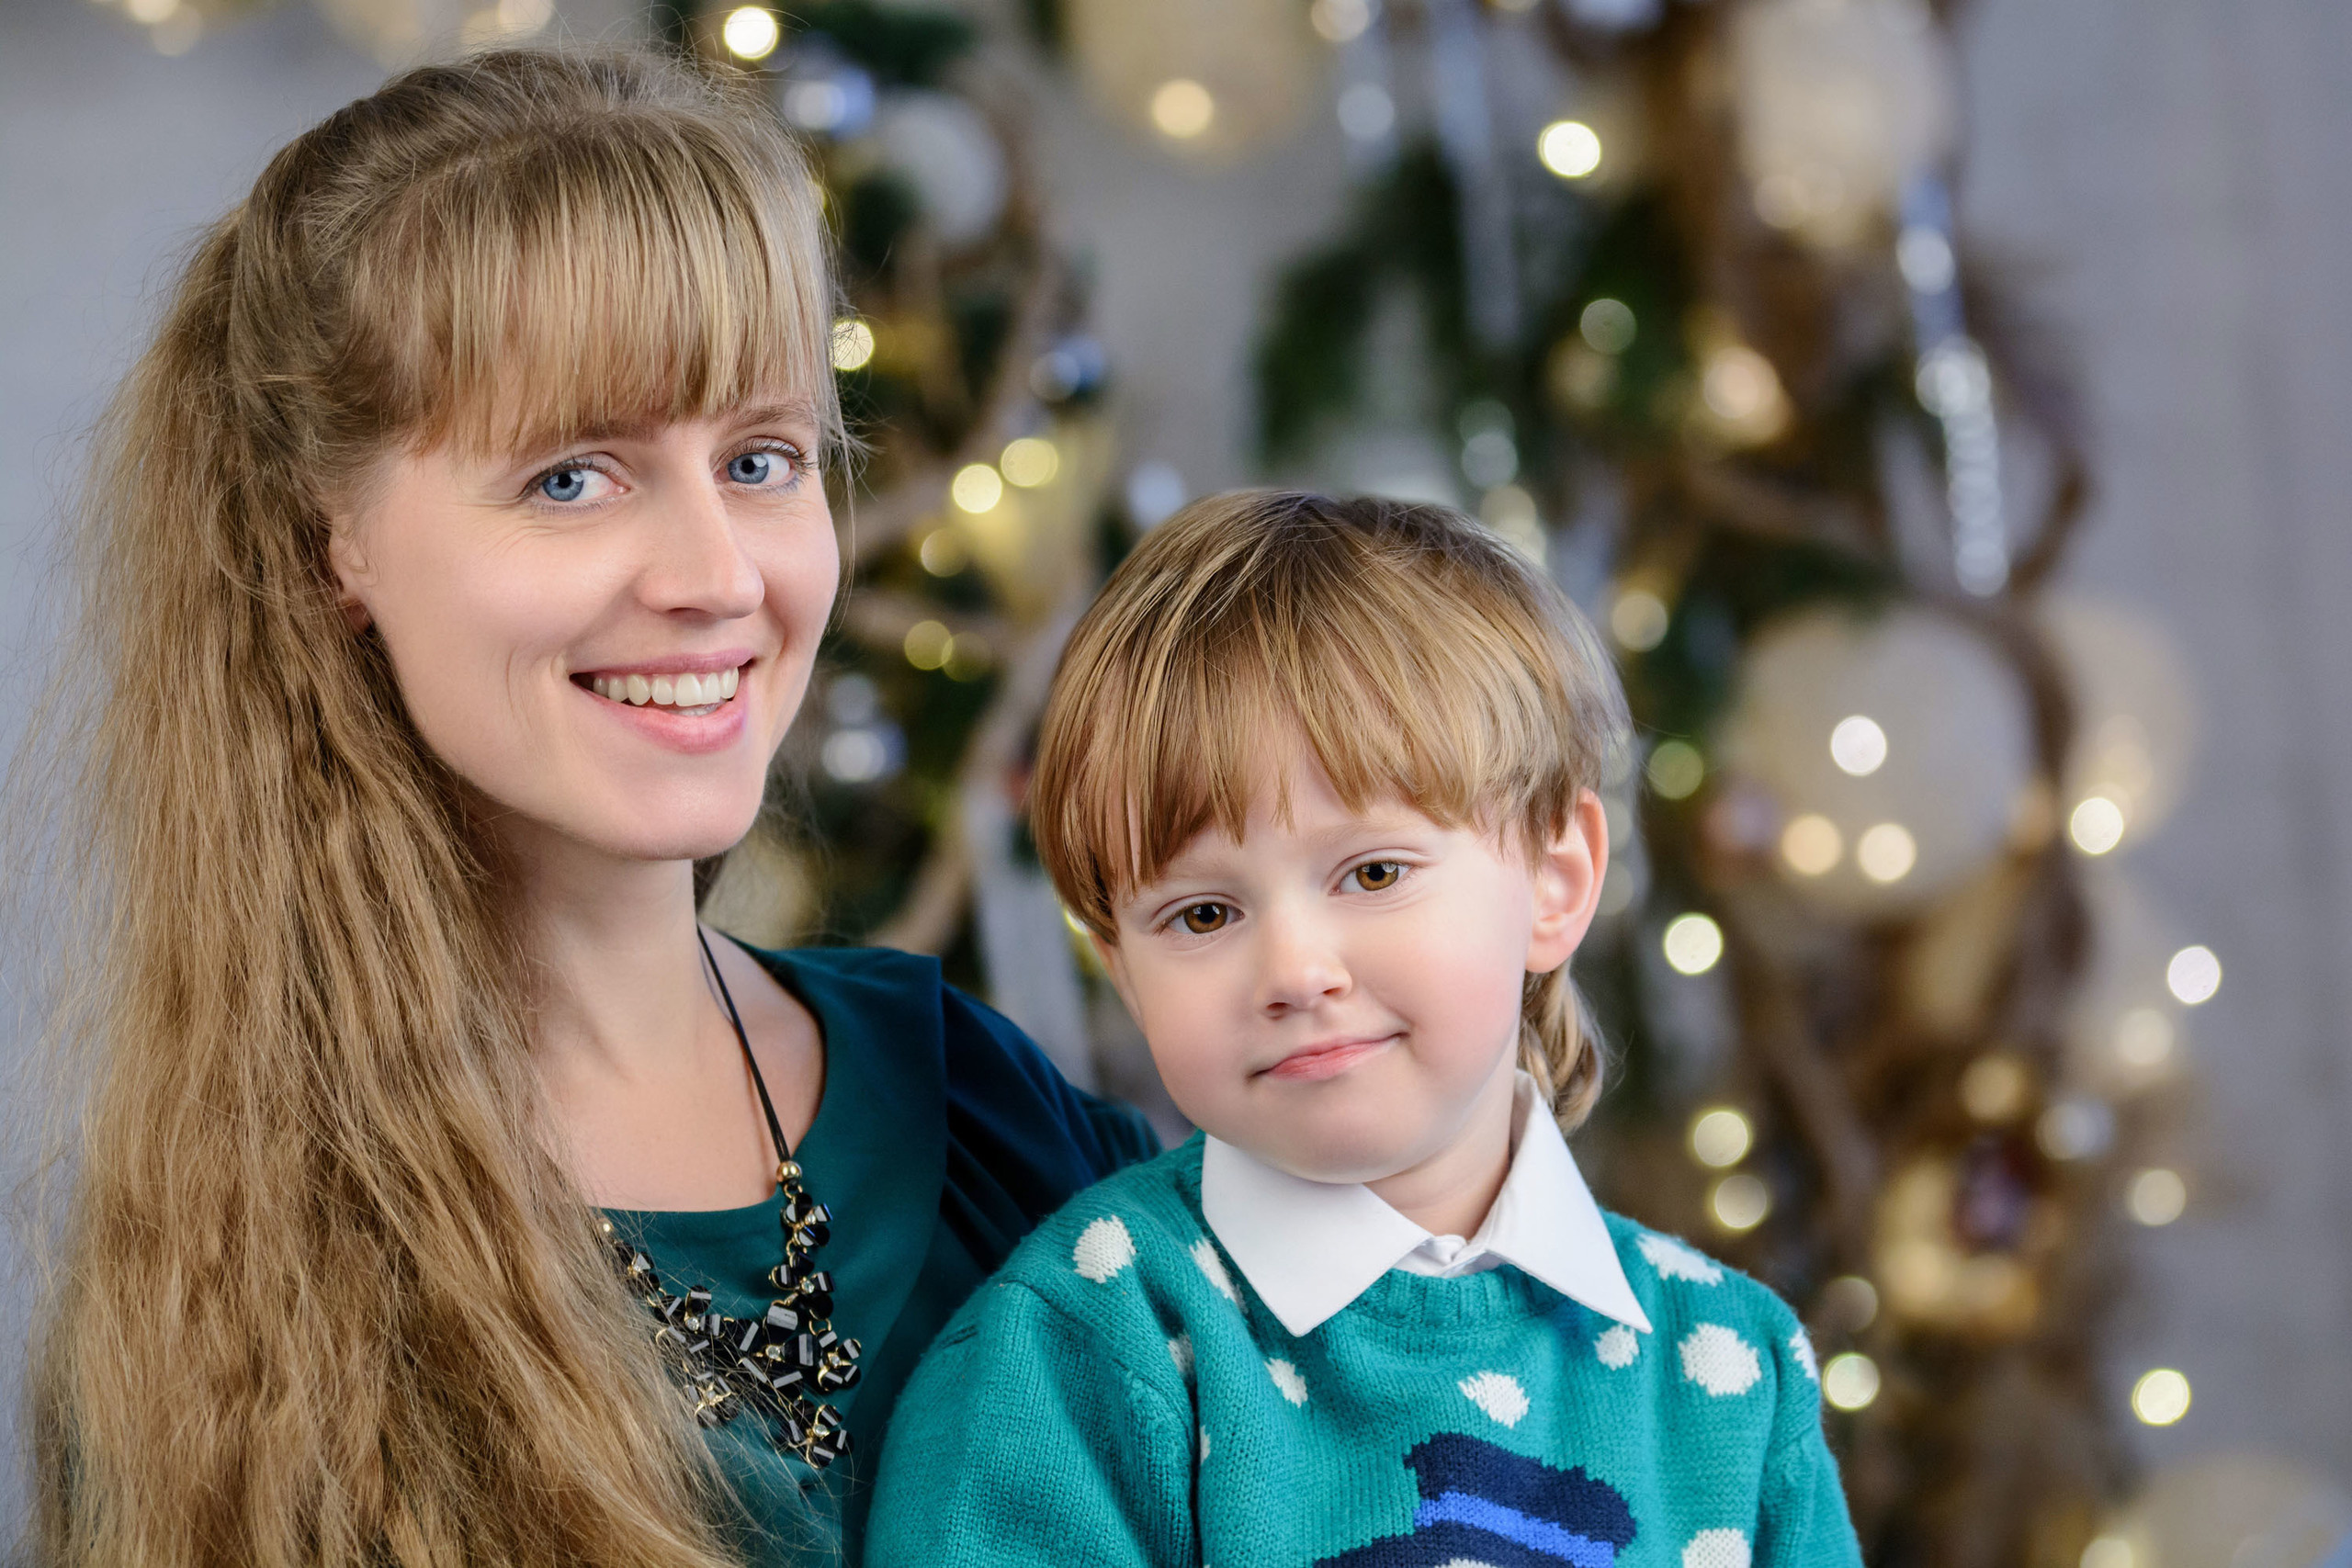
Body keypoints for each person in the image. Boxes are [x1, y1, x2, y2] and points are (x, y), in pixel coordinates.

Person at [24, 47, 1153, 1568]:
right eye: (573, 477)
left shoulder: (985, 1108)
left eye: (761, 457)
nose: (716, 574)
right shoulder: (228, 1289)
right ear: (326, 546)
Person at [865, 492, 1864, 1567]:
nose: (1295, 971)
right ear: (1120, 965)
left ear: (1553, 880)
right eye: (1203, 913)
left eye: (1373, 872)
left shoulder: (1732, 1372)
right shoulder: (1078, 1355)